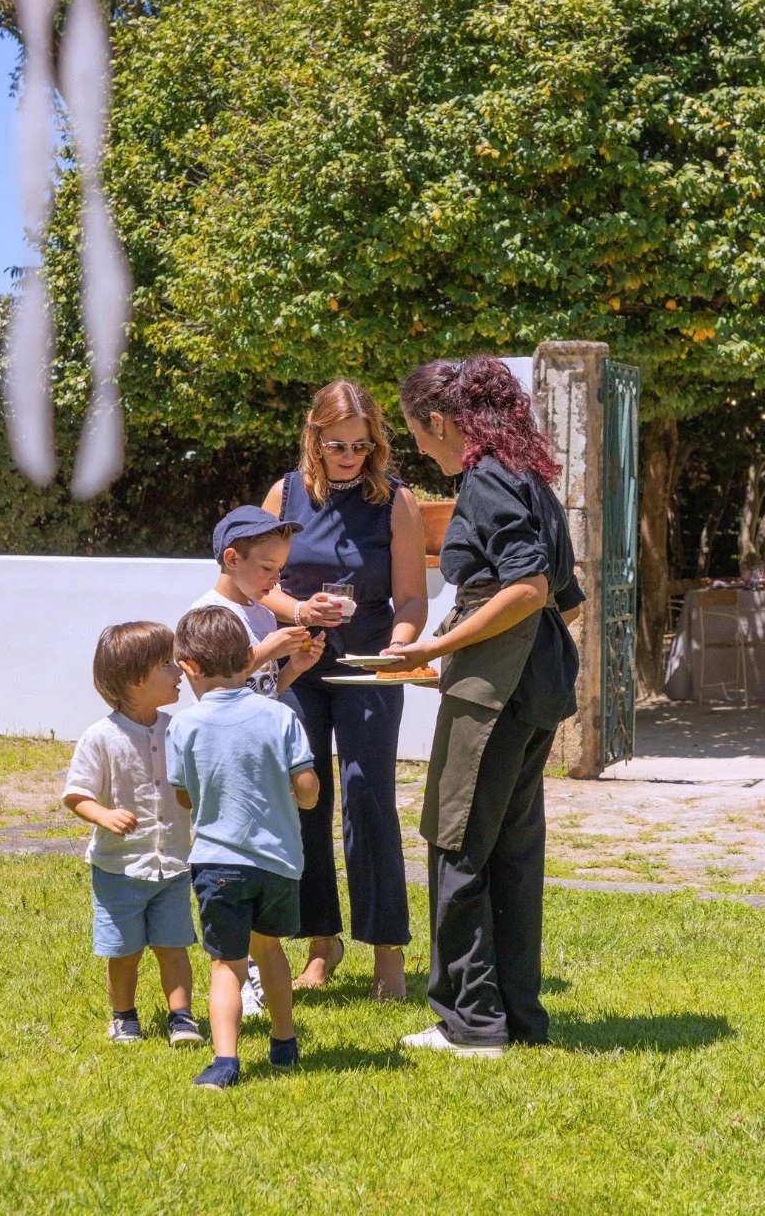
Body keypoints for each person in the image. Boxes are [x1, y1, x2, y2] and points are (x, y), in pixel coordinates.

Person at [384, 356, 585, 1056]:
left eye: (417, 432)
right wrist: (450, 653)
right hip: (531, 687)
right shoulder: (527, 476)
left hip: (498, 691)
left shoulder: (489, 478)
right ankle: (517, 1020)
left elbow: (526, 590)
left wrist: (435, 653)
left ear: (441, 420)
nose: (419, 448)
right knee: (510, 853)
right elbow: (564, 601)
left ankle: (470, 1026)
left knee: (458, 844)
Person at [261, 380, 428, 1000]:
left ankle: (387, 952)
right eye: (338, 445)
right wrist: (299, 610)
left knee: (367, 795)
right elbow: (260, 584)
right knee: (305, 793)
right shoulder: (285, 493)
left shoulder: (396, 500)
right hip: (299, 661)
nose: (350, 456)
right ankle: (320, 942)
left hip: (369, 661)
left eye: (361, 445)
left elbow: (411, 597)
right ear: (314, 438)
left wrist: (401, 643)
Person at [167, 605, 320, 1089]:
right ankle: (284, 1041)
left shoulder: (184, 726)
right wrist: (303, 796)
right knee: (269, 949)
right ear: (246, 654)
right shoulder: (279, 715)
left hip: (217, 863)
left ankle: (225, 1061)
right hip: (277, 862)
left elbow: (184, 795)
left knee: (227, 963)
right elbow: (308, 786)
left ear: (188, 666)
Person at [62, 621, 204, 1048]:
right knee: (123, 950)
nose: (178, 670)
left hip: (173, 863)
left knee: (173, 944)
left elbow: (191, 785)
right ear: (133, 679)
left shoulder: (177, 729)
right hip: (120, 867)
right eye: (166, 664)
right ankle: (123, 1016)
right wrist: (103, 816)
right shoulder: (101, 737)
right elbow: (76, 793)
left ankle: (181, 1017)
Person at [189, 505, 327, 700]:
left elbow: (268, 690)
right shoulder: (206, 614)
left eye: (280, 568)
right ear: (232, 560)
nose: (277, 578)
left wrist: (294, 668)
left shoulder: (265, 615)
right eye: (267, 567)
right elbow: (211, 687)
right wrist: (264, 653)